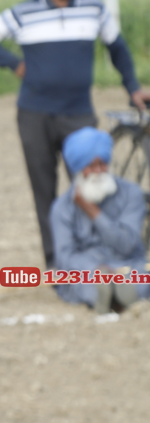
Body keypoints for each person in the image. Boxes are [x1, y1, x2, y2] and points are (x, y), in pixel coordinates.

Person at [0, 0, 150, 269]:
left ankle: (100, 260)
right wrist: (15, 64)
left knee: (94, 187)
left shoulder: (93, 7)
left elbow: (117, 48)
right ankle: (58, 265)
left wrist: (133, 88)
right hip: (34, 115)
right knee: (44, 191)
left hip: (78, 114)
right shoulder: (24, 12)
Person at [51, 127, 149, 312]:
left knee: (140, 279)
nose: (98, 171)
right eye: (91, 166)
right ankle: (107, 295)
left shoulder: (131, 194)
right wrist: (95, 269)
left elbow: (127, 244)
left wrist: (92, 211)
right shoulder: (62, 208)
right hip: (87, 271)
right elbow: (66, 258)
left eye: (102, 164)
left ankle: (121, 294)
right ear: (78, 169)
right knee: (82, 283)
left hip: (127, 265)